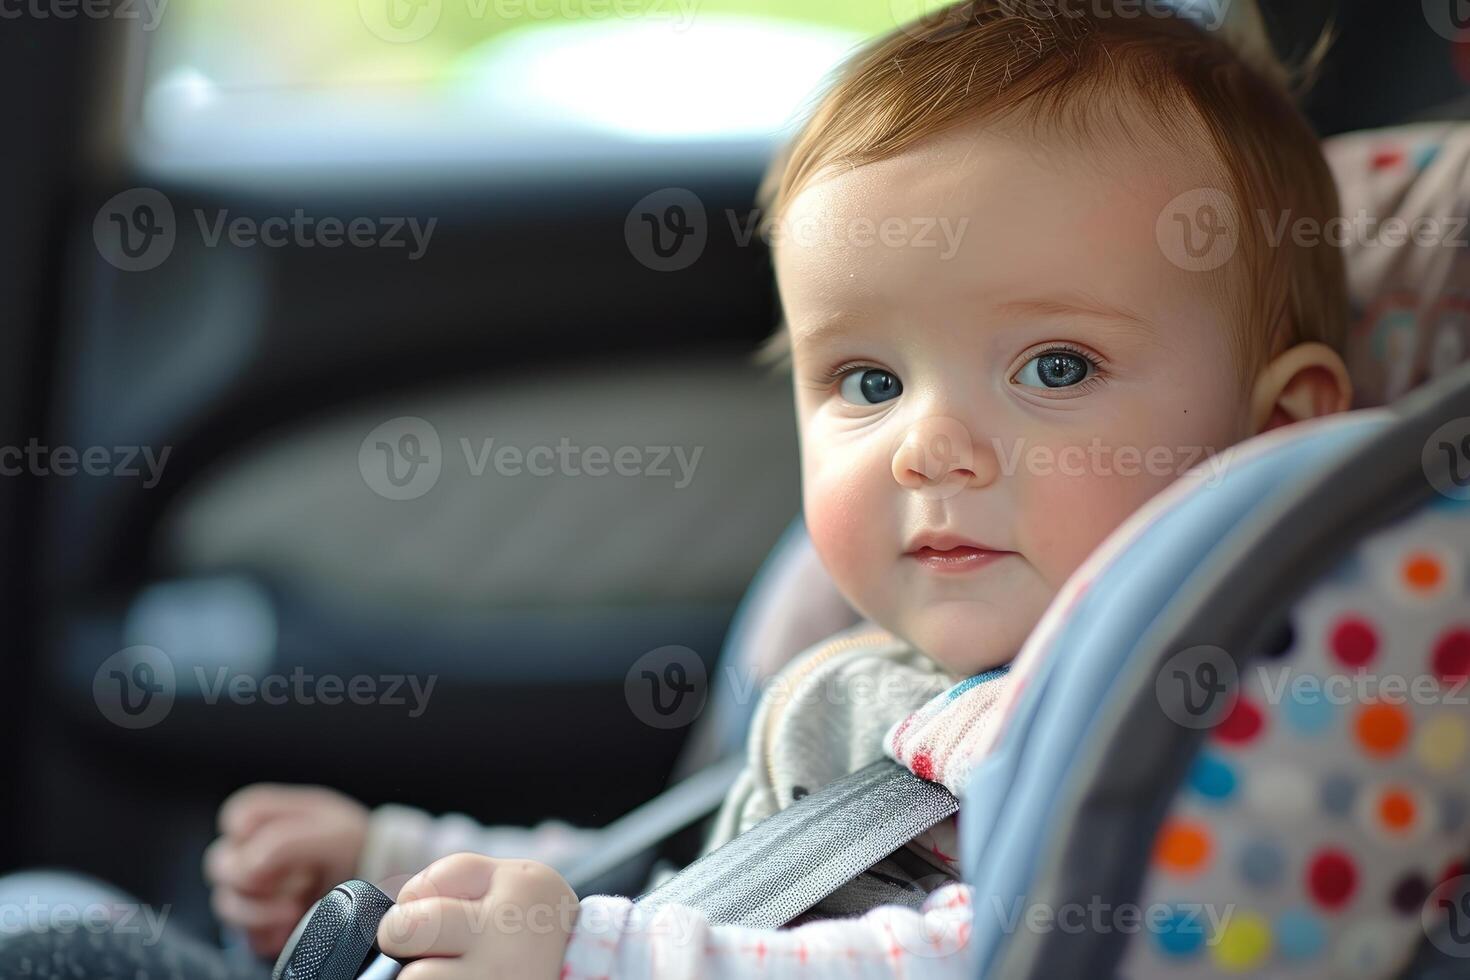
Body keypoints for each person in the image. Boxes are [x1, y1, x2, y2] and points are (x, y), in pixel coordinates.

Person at [24, 1, 1360, 977]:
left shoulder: (1165, 726)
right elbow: (706, 870)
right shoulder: (878, 677)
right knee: (47, 921)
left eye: (1055, 365)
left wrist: (594, 960)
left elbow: (965, 960)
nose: (925, 447)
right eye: (869, 382)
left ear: (1278, 433)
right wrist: (399, 857)